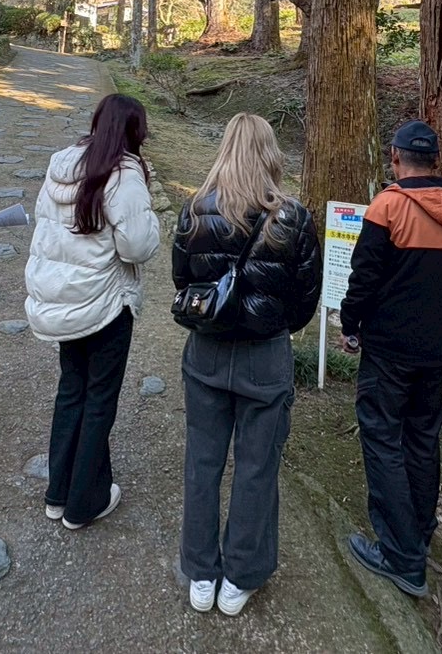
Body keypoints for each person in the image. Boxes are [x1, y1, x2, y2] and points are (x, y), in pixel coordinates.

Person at [172, 113, 322, 617]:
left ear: (225, 148)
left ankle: (200, 570)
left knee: (202, 462)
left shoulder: (194, 210)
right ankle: (241, 575)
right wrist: (271, 322)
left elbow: (182, 284)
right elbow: (307, 298)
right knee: (258, 468)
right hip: (266, 356)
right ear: (270, 152)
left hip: (207, 352)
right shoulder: (295, 217)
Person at [339, 120, 442, 597]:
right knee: (422, 438)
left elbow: (363, 276)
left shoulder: (389, 206)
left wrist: (350, 322)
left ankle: (401, 556)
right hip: (435, 347)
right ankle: (419, 530)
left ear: (396, 157)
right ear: (436, 162)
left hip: (388, 347)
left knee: (382, 438)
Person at [26, 94, 160, 529]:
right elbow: (137, 246)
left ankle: (57, 493)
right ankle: (85, 503)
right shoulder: (124, 174)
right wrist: (152, 212)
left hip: (65, 301)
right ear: (134, 130)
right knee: (99, 398)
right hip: (104, 303)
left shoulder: (61, 164)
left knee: (72, 391)